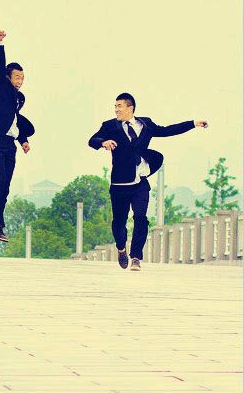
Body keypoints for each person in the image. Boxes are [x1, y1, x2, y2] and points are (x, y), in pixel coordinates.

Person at [88, 93, 207, 271]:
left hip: (140, 183)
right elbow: (92, 140)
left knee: (141, 218)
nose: (116, 110)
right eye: (115, 106)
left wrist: (192, 123)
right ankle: (121, 249)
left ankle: (136, 257)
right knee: (119, 222)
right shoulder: (110, 126)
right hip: (120, 184)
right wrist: (103, 142)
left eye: (119, 106)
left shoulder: (146, 124)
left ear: (130, 108)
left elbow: (167, 130)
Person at [0, 30, 35, 243]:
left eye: (23, 78)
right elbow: (0, 66)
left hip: (9, 143)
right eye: (17, 77)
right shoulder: (0, 86)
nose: (20, 81)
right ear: (9, 78)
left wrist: (23, 140)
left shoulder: (19, 98)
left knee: (6, 185)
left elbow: (14, 121)